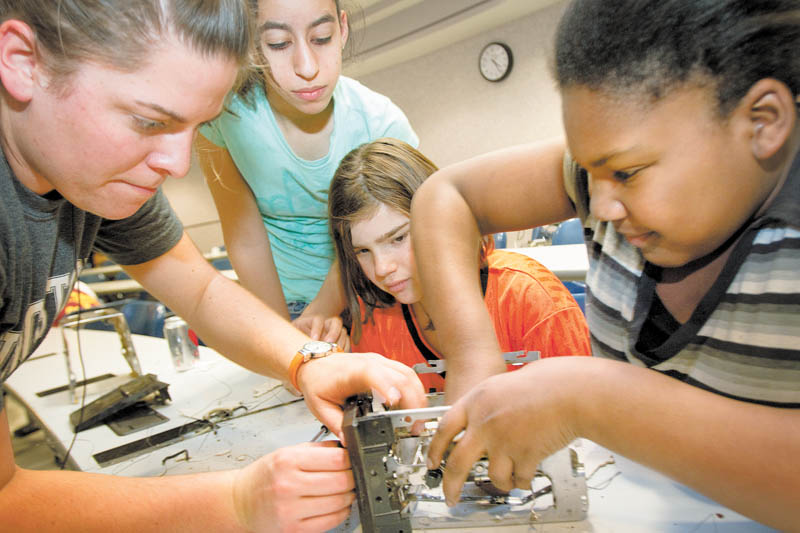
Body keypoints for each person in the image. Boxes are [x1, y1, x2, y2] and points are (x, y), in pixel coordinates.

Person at [0, 2, 425, 531]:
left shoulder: (93, 177)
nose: (177, 165)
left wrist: (307, 360)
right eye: (150, 121)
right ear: (22, 62)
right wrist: (235, 502)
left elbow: (200, 290)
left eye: (195, 126)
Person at [412, 1, 800, 530]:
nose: (599, 205)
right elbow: (445, 194)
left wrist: (587, 398)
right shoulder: (604, 180)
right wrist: (474, 353)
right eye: (588, 170)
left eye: (628, 172)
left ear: (762, 122)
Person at [196, 0, 418, 327]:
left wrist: (322, 312)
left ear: (342, 29)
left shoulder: (381, 123)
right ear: (252, 46)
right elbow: (245, 238)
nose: (307, 67)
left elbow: (366, 244)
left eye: (322, 37)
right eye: (279, 44)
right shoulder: (223, 117)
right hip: (281, 302)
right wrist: (282, 332)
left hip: (372, 295)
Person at [328, 138, 591, 393]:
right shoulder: (373, 320)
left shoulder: (530, 297)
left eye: (398, 238)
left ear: (442, 218)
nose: (382, 268)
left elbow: (584, 414)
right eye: (363, 251)